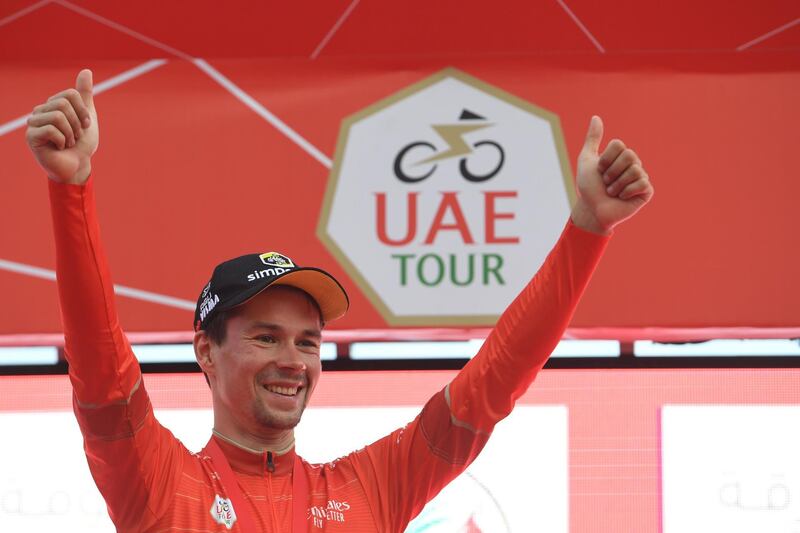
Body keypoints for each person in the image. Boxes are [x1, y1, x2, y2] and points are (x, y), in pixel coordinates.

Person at [26, 69, 653, 532]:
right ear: (206, 352)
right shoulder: (159, 481)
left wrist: (587, 229)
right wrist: (71, 189)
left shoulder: (372, 489)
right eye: (266, 337)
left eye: (308, 341)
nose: (293, 360)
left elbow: (491, 387)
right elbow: (103, 377)